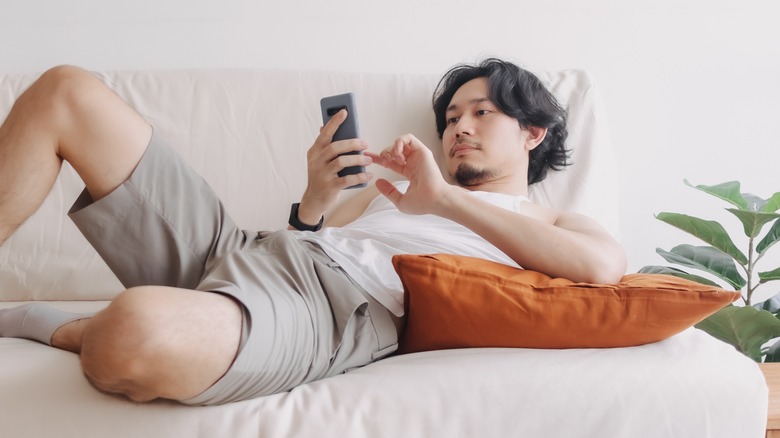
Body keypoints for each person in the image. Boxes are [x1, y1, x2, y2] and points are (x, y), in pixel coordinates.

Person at [0, 59, 626, 405]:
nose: (459, 126)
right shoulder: (389, 195)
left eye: (481, 113)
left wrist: (445, 203)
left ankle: (53, 324)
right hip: (250, 254)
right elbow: (301, 241)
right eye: (452, 116)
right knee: (65, 92)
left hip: (335, 308)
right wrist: (316, 200)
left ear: (533, 132)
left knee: (132, 334)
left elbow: (602, 269)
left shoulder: (550, 221)